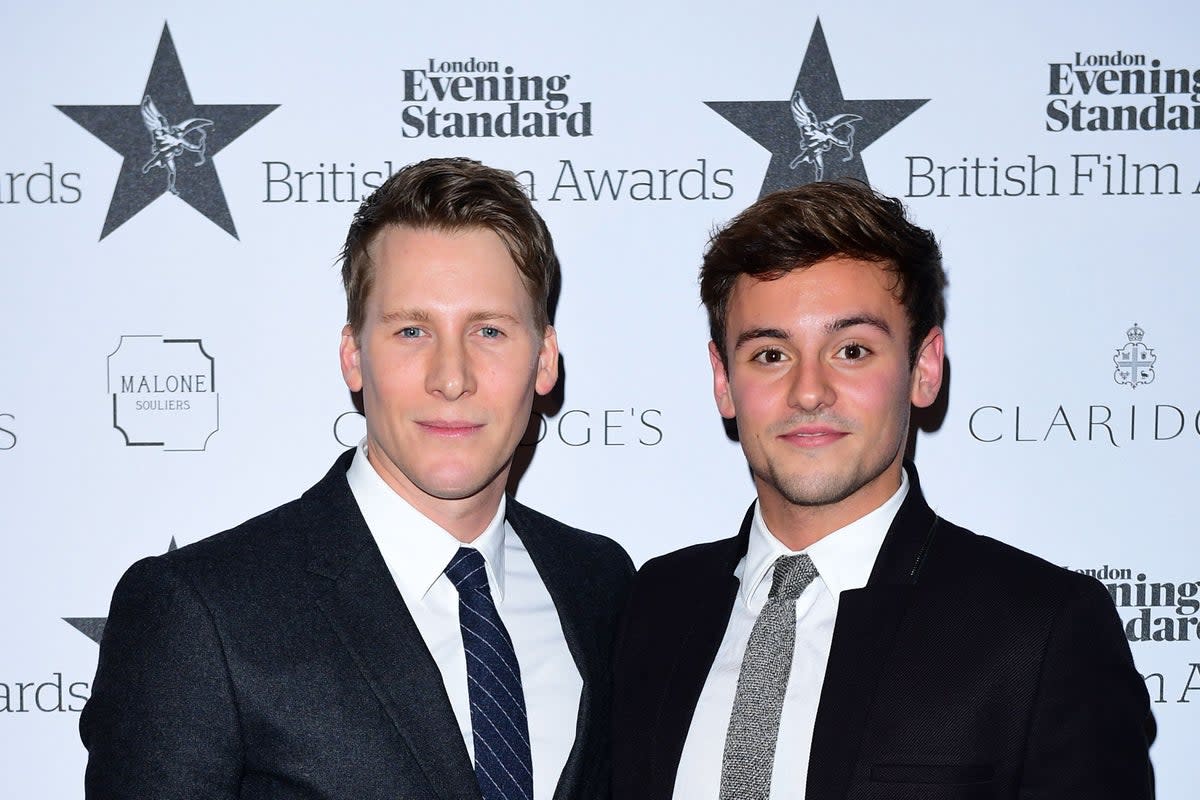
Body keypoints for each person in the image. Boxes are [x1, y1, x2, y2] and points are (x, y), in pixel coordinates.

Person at [82, 157, 634, 800]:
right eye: (411, 331)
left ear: (543, 360)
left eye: (488, 330)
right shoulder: (200, 614)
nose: (450, 377)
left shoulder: (601, 583)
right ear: (353, 356)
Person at [612, 181, 1151, 800]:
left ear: (924, 367)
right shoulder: (656, 605)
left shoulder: (1043, 630)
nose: (809, 391)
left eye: (852, 349)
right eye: (769, 354)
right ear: (723, 381)